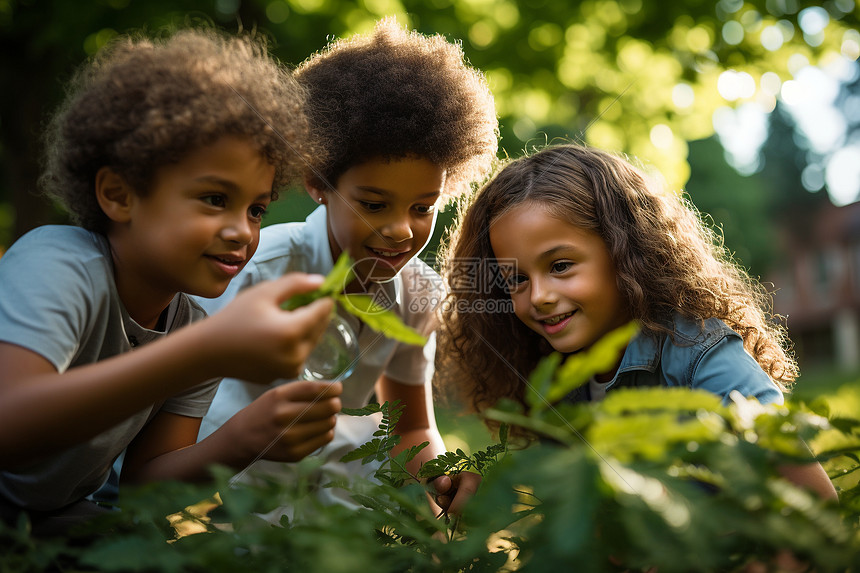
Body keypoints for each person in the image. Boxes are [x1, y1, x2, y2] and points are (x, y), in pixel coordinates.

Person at [0, 28, 344, 536]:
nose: (241, 231)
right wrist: (204, 351)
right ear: (119, 194)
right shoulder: (59, 263)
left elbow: (142, 490)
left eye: (256, 209)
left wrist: (243, 439)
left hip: (52, 522)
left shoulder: (191, 328)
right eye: (213, 199)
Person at [196, 18, 498, 519]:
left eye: (424, 207)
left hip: (357, 521)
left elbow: (411, 429)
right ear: (318, 183)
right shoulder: (251, 270)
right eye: (374, 205)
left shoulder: (417, 291)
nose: (402, 230)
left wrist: (444, 476)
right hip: (248, 522)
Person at [436, 143, 837, 500]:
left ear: (624, 251)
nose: (538, 295)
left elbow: (813, 503)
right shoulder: (551, 379)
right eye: (516, 279)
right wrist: (495, 499)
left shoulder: (700, 355)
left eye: (560, 265)